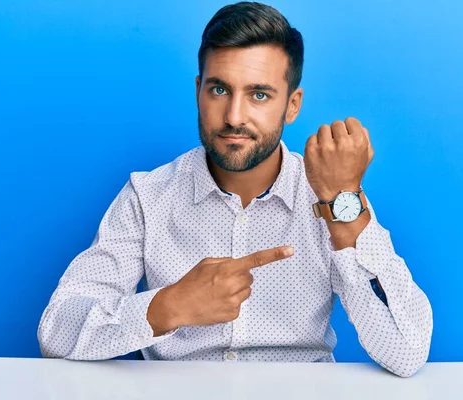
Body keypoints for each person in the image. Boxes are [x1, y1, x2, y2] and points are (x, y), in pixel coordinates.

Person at [37, 1, 433, 378]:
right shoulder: (149, 195)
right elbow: (56, 330)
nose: (234, 117)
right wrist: (166, 306)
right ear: (198, 91)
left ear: (292, 105)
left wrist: (340, 203)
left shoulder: (330, 195)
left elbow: (406, 350)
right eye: (219, 90)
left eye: (259, 94)